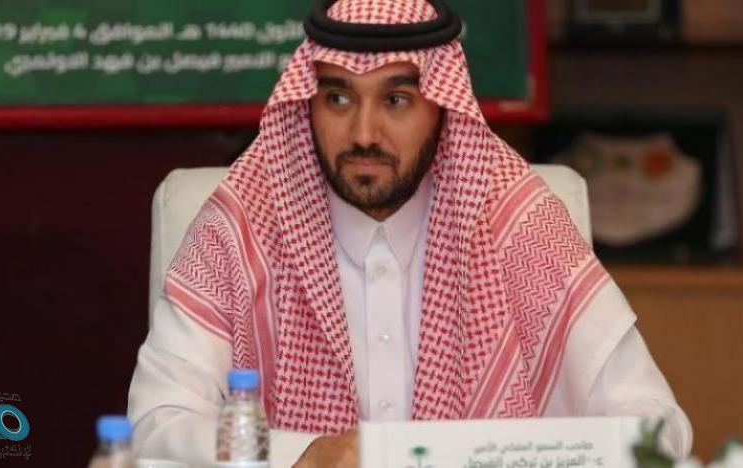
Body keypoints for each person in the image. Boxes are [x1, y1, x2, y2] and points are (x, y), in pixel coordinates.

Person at [128, 1, 692, 466]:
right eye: (338, 98)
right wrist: (303, 457)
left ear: (442, 109)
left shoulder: (518, 224)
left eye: (396, 100)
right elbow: (155, 426)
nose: (363, 133)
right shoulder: (240, 226)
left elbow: (657, 428)